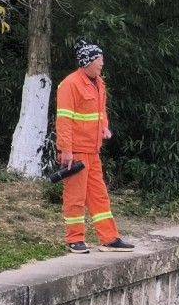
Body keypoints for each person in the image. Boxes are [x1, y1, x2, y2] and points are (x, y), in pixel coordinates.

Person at [55, 42, 134, 254]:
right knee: (75, 197)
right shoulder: (70, 84)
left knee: (99, 195)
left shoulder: (99, 83)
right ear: (87, 62)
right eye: (98, 59)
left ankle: (109, 238)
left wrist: (104, 128)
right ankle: (75, 239)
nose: (102, 63)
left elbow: (100, 112)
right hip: (77, 151)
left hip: (93, 150)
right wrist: (66, 150)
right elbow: (64, 120)